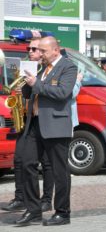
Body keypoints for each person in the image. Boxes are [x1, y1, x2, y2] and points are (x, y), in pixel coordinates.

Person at [16, 36, 77, 226]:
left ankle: (62, 212)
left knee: (59, 171)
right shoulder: (42, 68)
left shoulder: (68, 67)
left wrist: (37, 84)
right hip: (34, 123)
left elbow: (62, 93)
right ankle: (33, 210)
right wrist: (25, 83)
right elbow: (30, 93)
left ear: (55, 50)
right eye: (39, 51)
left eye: (43, 51)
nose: (39, 54)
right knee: (26, 163)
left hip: (56, 126)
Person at [1, 38, 54, 213]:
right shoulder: (26, 69)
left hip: (44, 121)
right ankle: (21, 197)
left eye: (34, 49)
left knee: (46, 163)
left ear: (42, 52)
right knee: (20, 159)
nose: (30, 51)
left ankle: (46, 200)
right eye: (29, 48)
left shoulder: (47, 70)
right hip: (27, 119)